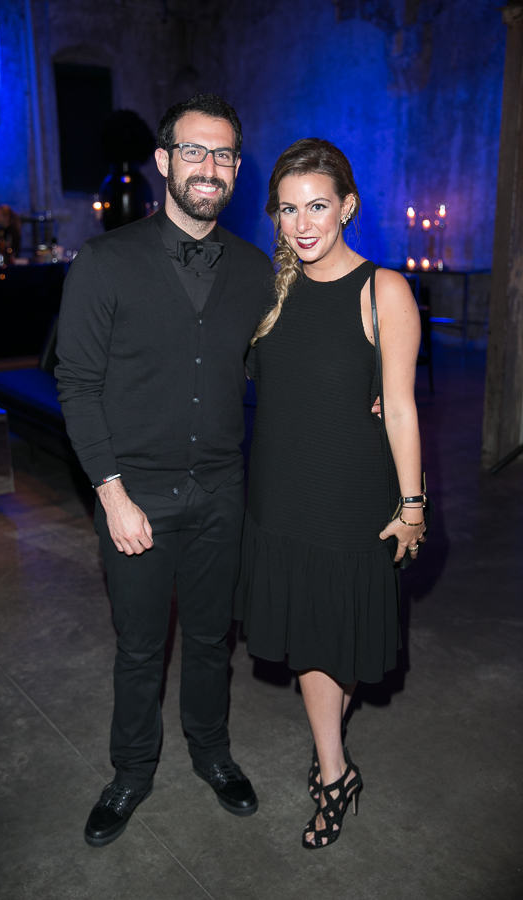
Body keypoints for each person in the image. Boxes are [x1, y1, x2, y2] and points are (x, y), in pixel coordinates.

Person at [55, 94, 273, 847]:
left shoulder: (256, 270)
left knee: (212, 640)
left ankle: (212, 753)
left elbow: (274, 370)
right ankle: (131, 771)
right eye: (193, 151)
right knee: (141, 647)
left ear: (236, 169)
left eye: (223, 155)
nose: (209, 167)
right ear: (163, 161)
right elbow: (77, 384)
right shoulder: (104, 262)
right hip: (135, 492)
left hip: (221, 491)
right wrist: (111, 494)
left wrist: (361, 395)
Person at [234, 138, 427, 850]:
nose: (302, 223)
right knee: (313, 640)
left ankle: (330, 756)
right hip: (280, 493)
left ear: (348, 206)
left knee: (340, 638)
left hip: (351, 495)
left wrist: (413, 505)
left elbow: (400, 407)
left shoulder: (384, 291)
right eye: (287, 210)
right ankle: (334, 770)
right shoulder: (268, 291)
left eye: (317, 206)